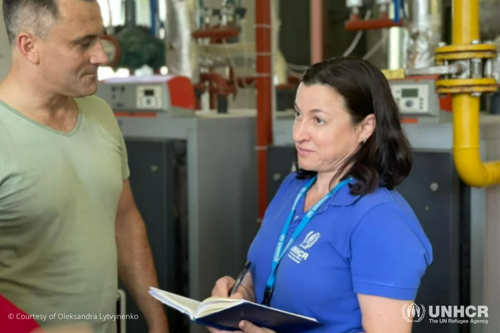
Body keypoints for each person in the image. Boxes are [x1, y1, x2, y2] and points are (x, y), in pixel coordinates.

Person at [210, 57, 433, 333]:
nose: (298, 133)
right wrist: (241, 297)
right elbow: (270, 271)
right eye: (298, 114)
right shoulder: (293, 188)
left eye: (318, 119)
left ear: (365, 127)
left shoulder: (381, 221)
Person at [0, 0, 169, 333]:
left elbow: (124, 220)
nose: (102, 56)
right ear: (29, 46)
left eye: (101, 37)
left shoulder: (100, 114)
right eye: (83, 43)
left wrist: (157, 320)